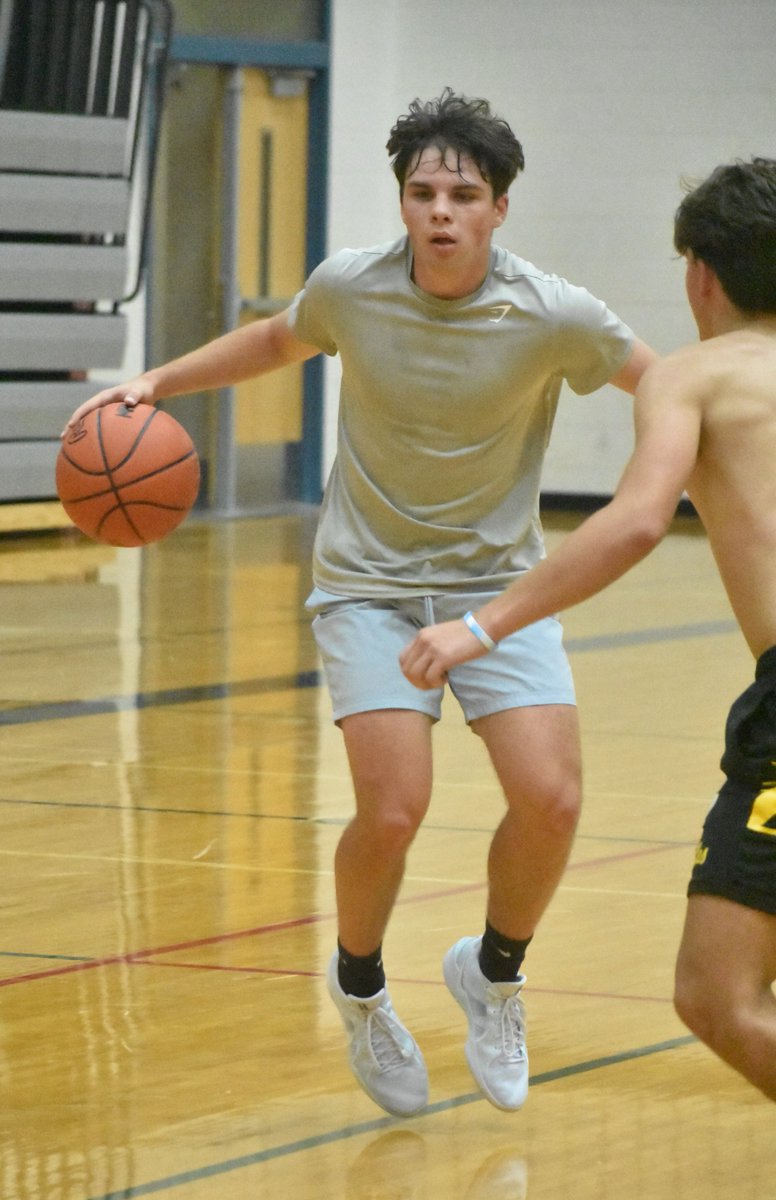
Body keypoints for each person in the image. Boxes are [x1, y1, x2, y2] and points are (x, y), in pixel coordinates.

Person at [63, 89, 656, 1116]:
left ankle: (494, 972)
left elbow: (662, 387)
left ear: (497, 210)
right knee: (393, 807)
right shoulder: (351, 289)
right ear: (401, 199)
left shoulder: (551, 311)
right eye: (422, 191)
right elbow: (275, 342)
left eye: (462, 195)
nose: (439, 211)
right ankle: (361, 982)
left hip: (493, 588)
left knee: (551, 799)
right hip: (368, 586)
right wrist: (156, 382)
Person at [400, 157, 776, 1102]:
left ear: (700, 274)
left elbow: (639, 521)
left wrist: (482, 626)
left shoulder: (692, 375)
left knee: (719, 996)